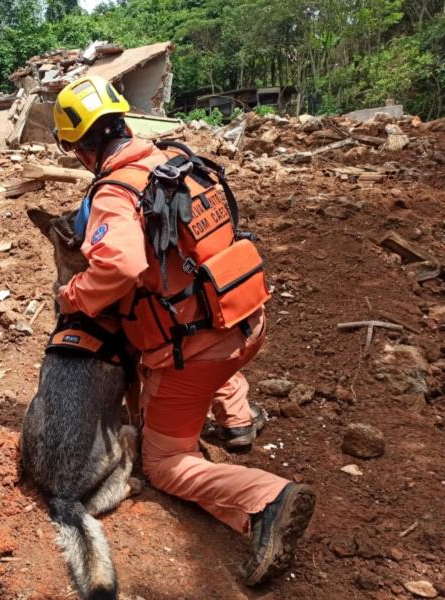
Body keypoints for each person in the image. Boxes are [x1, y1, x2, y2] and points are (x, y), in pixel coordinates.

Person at [50, 75, 316, 586]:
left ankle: (266, 499)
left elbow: (121, 265)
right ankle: (237, 420)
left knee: (165, 463)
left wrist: (74, 295)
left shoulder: (114, 190)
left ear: (80, 148)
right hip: (247, 319)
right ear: (124, 120)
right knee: (197, 322)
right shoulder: (174, 159)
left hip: (200, 351)